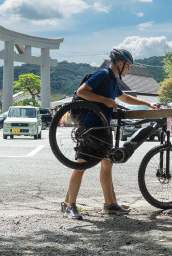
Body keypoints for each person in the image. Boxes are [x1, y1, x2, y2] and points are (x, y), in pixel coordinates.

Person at [64, 48, 158, 219]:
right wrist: (105, 100)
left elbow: (126, 98)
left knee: (107, 165)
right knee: (81, 166)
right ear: (120, 63)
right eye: (128, 66)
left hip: (104, 128)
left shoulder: (113, 80)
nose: (129, 69)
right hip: (91, 127)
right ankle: (70, 206)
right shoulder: (103, 74)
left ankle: (110, 204)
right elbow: (82, 92)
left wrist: (148, 104)